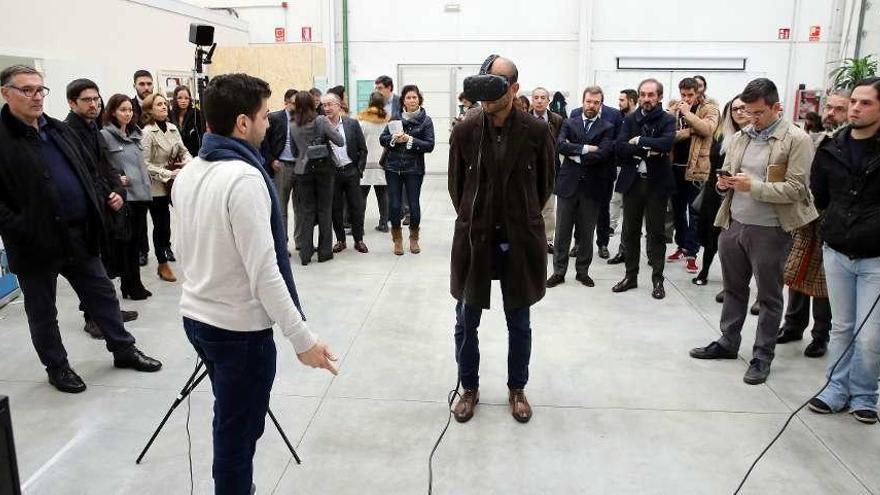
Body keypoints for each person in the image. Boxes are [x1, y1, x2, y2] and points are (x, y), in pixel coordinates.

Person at [172, 72, 338, 494]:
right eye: (265, 116)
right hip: (238, 333)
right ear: (242, 123)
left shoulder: (190, 170)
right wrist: (302, 339)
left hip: (197, 318)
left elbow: (180, 247)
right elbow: (266, 271)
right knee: (237, 437)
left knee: (231, 419)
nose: (270, 125)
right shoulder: (244, 178)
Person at [0, 65, 161, 393]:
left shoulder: (58, 131)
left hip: (78, 234)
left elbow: (90, 170)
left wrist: (104, 197)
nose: (36, 97)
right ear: (6, 93)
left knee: (102, 293)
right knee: (43, 310)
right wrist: (22, 229)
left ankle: (123, 349)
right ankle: (57, 367)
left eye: (39, 90)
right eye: (26, 90)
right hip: (34, 244)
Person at [690, 78, 818, 385]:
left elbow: (797, 189)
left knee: (770, 296)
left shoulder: (796, 140)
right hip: (735, 223)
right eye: (747, 111)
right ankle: (728, 341)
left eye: (758, 112)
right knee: (734, 289)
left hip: (771, 229)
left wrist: (754, 187)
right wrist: (724, 185)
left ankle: (762, 355)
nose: (751, 118)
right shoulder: (741, 137)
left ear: (776, 107)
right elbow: (731, 177)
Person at [449, 55, 555, 424]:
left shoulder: (536, 131)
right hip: (476, 238)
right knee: (466, 319)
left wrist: (519, 214)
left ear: (514, 88)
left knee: (519, 321)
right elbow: (456, 186)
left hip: (518, 239)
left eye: (495, 86)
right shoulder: (465, 130)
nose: (486, 96)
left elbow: (545, 184)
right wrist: (475, 216)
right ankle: (469, 387)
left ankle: (517, 388)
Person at [807, 77, 880, 424]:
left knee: (869, 333)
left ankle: (865, 394)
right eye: (854, 101)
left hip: (875, 256)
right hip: (837, 250)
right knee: (842, 326)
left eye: (865, 103)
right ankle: (835, 388)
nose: (855, 108)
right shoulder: (830, 148)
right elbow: (819, 196)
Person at [777, 89, 851, 358]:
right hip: (806, 215)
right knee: (796, 270)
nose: (830, 113)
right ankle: (793, 324)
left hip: (834, 221)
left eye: (838, 109)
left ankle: (821, 335)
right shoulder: (815, 139)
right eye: (828, 107)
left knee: (823, 281)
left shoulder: (849, 143)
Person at [64, 78, 139, 338]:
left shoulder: (93, 129)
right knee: (92, 270)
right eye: (87, 100)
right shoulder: (67, 132)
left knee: (107, 265)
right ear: (72, 102)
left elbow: (107, 168)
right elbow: (81, 174)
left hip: (106, 204)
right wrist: (107, 194)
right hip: (88, 210)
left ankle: (109, 311)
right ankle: (92, 317)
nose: (94, 104)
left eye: (96, 99)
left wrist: (118, 191)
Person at [611, 78, 676, 299]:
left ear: (659, 97)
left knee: (656, 233)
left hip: (657, 184)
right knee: (629, 232)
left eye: (651, 95)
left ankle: (658, 279)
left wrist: (638, 141)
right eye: (643, 95)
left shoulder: (667, 119)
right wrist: (649, 149)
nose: (646, 99)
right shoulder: (630, 119)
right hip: (633, 183)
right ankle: (631, 276)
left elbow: (667, 143)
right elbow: (619, 147)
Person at [546, 86, 615, 288]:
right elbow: (560, 145)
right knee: (562, 233)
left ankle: (582, 272)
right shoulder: (569, 122)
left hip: (592, 187)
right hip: (568, 186)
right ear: (583, 102)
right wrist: (585, 149)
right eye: (588, 101)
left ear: (600, 105)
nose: (591, 105)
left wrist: (574, 153)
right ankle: (559, 272)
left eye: (595, 102)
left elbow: (603, 153)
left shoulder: (607, 127)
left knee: (586, 233)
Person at [101, 94, 153, 302]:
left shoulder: (136, 135)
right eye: (123, 109)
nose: (128, 113)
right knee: (126, 244)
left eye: (130, 110)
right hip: (125, 197)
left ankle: (134, 283)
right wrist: (115, 180)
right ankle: (129, 284)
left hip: (141, 195)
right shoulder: (105, 135)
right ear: (113, 112)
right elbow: (102, 165)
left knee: (137, 243)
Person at [692, 95, 749, 286]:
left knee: (738, 241)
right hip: (715, 191)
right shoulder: (722, 136)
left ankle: (734, 281)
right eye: (734, 109)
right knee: (712, 235)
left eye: (743, 108)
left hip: (744, 194)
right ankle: (705, 270)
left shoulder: (755, 138)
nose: (739, 112)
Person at [667, 77, 720, 274]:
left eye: (690, 95)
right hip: (675, 167)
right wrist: (689, 130)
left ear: (699, 92)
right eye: (683, 95)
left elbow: (707, 129)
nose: (686, 98)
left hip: (696, 168)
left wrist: (687, 116)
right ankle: (681, 246)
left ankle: (692, 253)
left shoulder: (710, 108)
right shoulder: (675, 108)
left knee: (694, 213)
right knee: (677, 211)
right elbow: (668, 135)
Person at [142, 93, 193, 282]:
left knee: (169, 224)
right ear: (149, 109)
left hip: (174, 182)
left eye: (164, 104)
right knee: (160, 225)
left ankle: (168, 249)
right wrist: (168, 174)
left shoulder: (172, 128)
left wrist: (188, 162)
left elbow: (184, 150)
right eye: (158, 104)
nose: (164, 107)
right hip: (156, 185)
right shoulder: (147, 132)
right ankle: (162, 263)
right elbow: (144, 164)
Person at [379, 84, 435, 255]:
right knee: (394, 205)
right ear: (403, 100)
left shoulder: (426, 120)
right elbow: (383, 139)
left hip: (414, 168)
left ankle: (414, 237)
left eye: (414, 97)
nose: (411, 100)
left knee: (413, 205)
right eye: (408, 97)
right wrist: (394, 139)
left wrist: (410, 140)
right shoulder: (394, 118)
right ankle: (397, 239)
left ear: (419, 99)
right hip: (393, 167)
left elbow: (430, 145)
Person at [290, 90, 343, 265]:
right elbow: (340, 141)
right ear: (313, 104)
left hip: (302, 171)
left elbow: (293, 152)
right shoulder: (321, 121)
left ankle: (305, 254)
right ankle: (324, 252)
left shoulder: (292, 125)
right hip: (323, 170)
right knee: (325, 210)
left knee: (306, 212)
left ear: (296, 106)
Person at [323, 93, 368, 254]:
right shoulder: (321, 125)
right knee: (336, 209)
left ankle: (358, 239)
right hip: (332, 173)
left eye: (330, 104)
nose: (327, 108)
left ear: (338, 105)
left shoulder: (352, 124)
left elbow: (363, 149)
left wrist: (359, 169)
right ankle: (340, 240)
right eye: (324, 105)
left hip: (351, 171)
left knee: (357, 207)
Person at [264, 89, 299, 249]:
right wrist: (272, 160)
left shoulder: (302, 119)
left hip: (299, 166)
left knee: (300, 206)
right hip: (281, 166)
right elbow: (264, 142)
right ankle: (282, 244)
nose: (297, 106)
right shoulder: (274, 118)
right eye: (294, 103)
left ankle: (301, 242)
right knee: (281, 207)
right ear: (286, 103)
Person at [531, 86, 564, 254]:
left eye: (543, 97)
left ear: (548, 101)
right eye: (536, 97)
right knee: (528, 206)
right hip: (528, 171)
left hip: (550, 169)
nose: (539, 100)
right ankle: (529, 239)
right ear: (531, 100)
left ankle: (548, 239)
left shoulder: (557, 120)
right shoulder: (524, 118)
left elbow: (561, 143)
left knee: (549, 208)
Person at [358, 91, 390, 232]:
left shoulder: (363, 121)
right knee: (383, 195)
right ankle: (384, 224)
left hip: (365, 164)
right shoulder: (387, 121)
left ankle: (359, 226)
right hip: (382, 163)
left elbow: (358, 143)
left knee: (361, 197)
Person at [169, 85, 206, 157]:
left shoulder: (196, 114)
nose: (183, 101)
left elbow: (201, 134)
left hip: (194, 154)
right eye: (180, 98)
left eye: (186, 98)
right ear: (175, 99)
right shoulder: (170, 115)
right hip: (175, 155)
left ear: (190, 99)